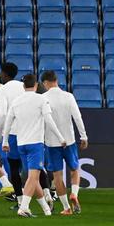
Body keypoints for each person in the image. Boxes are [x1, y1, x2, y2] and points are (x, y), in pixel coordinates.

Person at [0, 73, 65, 217]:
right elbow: (49, 120)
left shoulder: (16, 101)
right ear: (36, 85)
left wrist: (5, 141)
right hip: (35, 144)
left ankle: (46, 209)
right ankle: (24, 207)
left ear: (23, 86)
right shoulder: (41, 99)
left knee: (32, 178)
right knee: (33, 178)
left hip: (21, 144)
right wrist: (60, 137)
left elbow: (8, 122)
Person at [40, 70, 87, 214]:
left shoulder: (42, 98)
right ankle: (74, 194)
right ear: (56, 81)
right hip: (70, 140)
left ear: (45, 83)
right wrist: (83, 136)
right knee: (74, 170)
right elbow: (77, 117)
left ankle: (66, 207)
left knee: (57, 176)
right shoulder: (68, 96)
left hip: (52, 143)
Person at [0, 61, 26, 200]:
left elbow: (2, 114)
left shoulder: (3, 90)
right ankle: (46, 193)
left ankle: (19, 196)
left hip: (13, 132)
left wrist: (0, 134)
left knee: (13, 166)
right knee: (30, 165)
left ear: (4, 74)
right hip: (27, 131)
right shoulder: (23, 86)